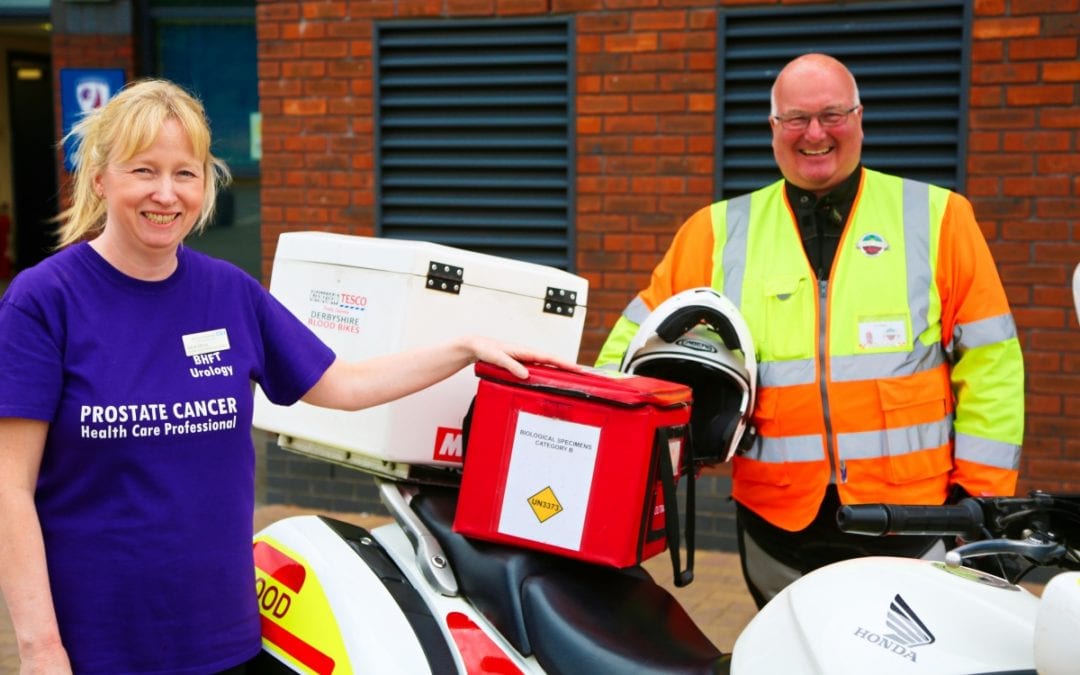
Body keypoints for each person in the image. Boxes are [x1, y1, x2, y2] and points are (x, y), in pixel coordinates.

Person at [0, 78, 573, 674]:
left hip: (224, 639)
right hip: (98, 645)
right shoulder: (44, 302)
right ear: (101, 179)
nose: (166, 194)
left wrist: (461, 347)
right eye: (144, 171)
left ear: (206, 183)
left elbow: (343, 385)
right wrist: (41, 648)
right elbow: (9, 489)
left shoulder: (228, 293)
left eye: (185, 173)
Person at [596, 53, 1024, 608]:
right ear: (773, 129)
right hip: (777, 525)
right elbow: (634, 344)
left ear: (859, 118)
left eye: (832, 115)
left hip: (915, 520)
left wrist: (982, 501)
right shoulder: (716, 231)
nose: (815, 133)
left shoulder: (940, 218)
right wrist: (594, 439)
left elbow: (991, 362)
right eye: (795, 118)